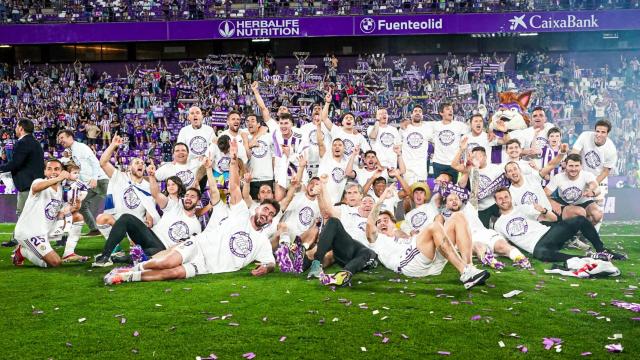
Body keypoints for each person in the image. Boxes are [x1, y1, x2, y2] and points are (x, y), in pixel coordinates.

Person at [103, 140, 279, 285]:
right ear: (257, 209)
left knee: (173, 273)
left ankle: (127, 276)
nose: (267, 214)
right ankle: (131, 269)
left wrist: (267, 268)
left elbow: (270, 262)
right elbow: (233, 187)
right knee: (167, 262)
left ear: (271, 221)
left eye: (271, 214)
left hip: (208, 266)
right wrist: (233, 161)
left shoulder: (262, 241)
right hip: (200, 246)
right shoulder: (240, 212)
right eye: (266, 209)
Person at [366, 187, 490, 289]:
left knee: (458, 216)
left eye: (385, 220)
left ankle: (470, 268)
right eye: (379, 222)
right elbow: (370, 224)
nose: (382, 223)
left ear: (394, 222)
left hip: (429, 260)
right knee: (434, 226)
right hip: (409, 264)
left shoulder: (402, 232)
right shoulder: (377, 240)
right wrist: (382, 198)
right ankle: (465, 272)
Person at [493, 187, 625, 263]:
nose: (504, 200)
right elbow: (504, 245)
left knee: (579, 219)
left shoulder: (523, 208)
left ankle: (601, 249)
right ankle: (590, 258)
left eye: (506, 197)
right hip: (536, 247)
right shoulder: (498, 225)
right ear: (496, 202)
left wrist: (543, 210)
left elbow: (553, 218)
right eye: (500, 198)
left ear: (510, 197)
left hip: (549, 234)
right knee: (540, 254)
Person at [11, 159, 78, 267]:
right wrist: (59, 178)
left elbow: (60, 212)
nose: (53, 172)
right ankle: (21, 251)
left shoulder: (61, 190)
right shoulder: (38, 182)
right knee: (55, 262)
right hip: (29, 231)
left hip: (46, 230)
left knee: (77, 217)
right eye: (49, 169)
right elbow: (36, 187)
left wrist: (74, 207)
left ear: (62, 171)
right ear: (45, 172)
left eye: (56, 169)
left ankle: (69, 253)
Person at [0, 119, 44, 247]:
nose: (15, 129)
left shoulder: (23, 142)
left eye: (16, 126)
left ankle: (20, 239)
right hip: (35, 183)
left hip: (27, 184)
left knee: (22, 212)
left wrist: (1, 168)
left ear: (21, 128)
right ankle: (18, 237)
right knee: (27, 212)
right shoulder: (35, 142)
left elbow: (16, 163)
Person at [57, 129, 109, 236]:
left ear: (70, 137)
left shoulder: (81, 147)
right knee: (81, 205)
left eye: (62, 138)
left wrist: (94, 177)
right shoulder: (71, 151)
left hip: (99, 180)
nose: (60, 141)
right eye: (59, 139)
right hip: (88, 184)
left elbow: (94, 161)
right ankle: (94, 229)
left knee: (113, 205)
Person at [571, 120, 617, 231]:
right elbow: (574, 153)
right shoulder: (585, 136)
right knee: (576, 205)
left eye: (603, 132)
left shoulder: (611, 150)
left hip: (599, 179)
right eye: (597, 131)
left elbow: (606, 172)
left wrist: (593, 185)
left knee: (598, 209)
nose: (599, 134)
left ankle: (593, 234)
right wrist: (575, 172)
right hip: (581, 175)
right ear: (594, 130)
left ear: (607, 134)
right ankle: (574, 235)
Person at [545, 153, 602, 224]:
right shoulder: (558, 177)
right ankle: (575, 232)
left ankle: (584, 232)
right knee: (580, 212)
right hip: (566, 204)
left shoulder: (587, 175)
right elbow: (544, 194)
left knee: (597, 214)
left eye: (576, 166)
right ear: (566, 166)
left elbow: (596, 187)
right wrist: (553, 203)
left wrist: (591, 191)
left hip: (585, 203)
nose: (574, 169)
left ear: (581, 166)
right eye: (571, 166)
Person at [430, 102, 468, 180]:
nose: (451, 111)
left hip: (454, 163)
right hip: (438, 162)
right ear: (441, 113)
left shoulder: (459, 125)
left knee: (452, 188)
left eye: (451, 109)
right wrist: (407, 122)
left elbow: (472, 128)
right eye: (447, 109)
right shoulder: (435, 125)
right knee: (439, 187)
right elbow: (421, 124)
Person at [401, 104, 432, 184]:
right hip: (407, 167)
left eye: (420, 111)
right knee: (407, 193)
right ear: (411, 114)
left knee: (422, 192)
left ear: (422, 115)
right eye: (415, 111)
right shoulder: (405, 128)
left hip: (421, 168)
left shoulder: (427, 129)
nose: (417, 113)